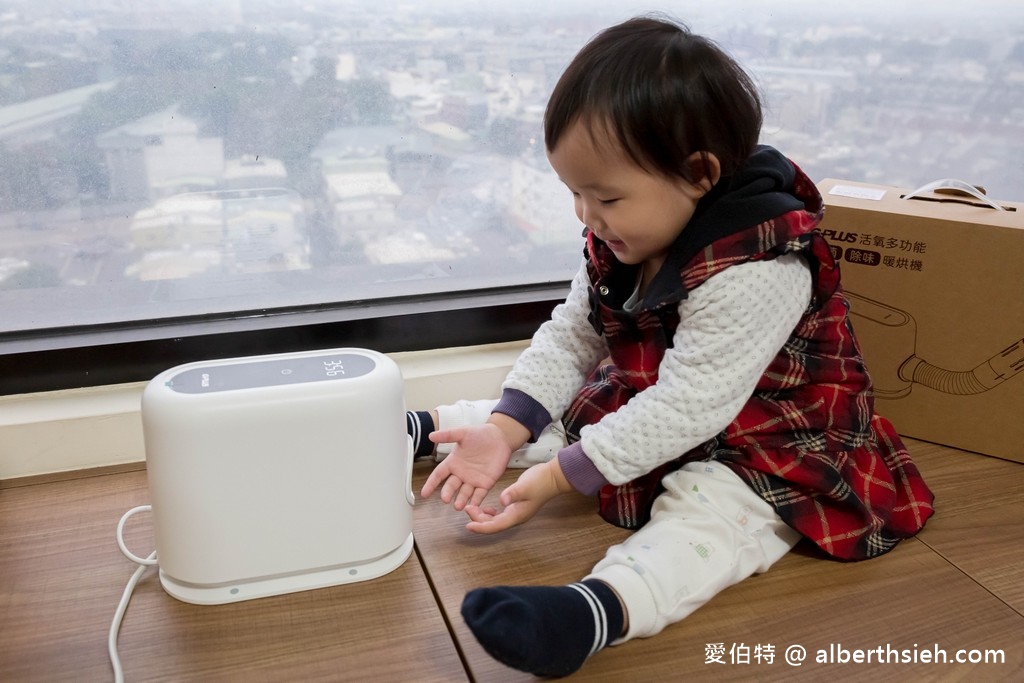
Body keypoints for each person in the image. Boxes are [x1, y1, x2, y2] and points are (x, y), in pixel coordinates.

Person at [407, 15, 935, 678]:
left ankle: (599, 608)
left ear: (697, 173)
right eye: (574, 192)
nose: (585, 216)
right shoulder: (626, 238)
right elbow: (572, 333)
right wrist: (507, 427)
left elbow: (690, 406)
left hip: (774, 436)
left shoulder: (759, 268)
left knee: (716, 513)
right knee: (570, 413)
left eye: (605, 196)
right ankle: (433, 430)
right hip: (670, 400)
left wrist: (553, 478)